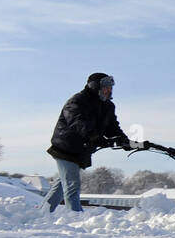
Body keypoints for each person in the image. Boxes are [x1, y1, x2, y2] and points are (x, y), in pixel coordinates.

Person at [44, 73, 143, 213]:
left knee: (62, 184)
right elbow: (77, 121)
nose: (109, 91)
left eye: (110, 88)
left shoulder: (108, 106)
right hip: (66, 147)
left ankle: (43, 213)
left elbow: (112, 127)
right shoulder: (77, 101)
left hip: (82, 150)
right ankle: (76, 218)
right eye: (106, 88)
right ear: (95, 87)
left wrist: (123, 140)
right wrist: (93, 136)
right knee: (72, 185)